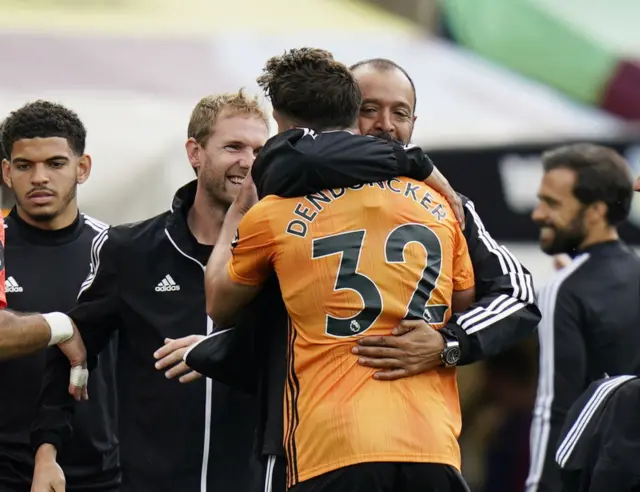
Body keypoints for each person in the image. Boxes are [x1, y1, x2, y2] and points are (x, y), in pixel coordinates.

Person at [185, 56, 540, 492]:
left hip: (339, 444)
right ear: (342, 112)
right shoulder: (438, 200)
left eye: (401, 113)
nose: (386, 126)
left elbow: (514, 297)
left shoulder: (279, 201)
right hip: (409, 446)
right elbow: (461, 299)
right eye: (370, 109)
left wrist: (448, 343)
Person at [33, 91, 269, 492]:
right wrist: (47, 452)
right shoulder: (131, 249)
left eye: (259, 150)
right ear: (195, 152)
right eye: (233, 147)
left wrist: (220, 350)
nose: (248, 162)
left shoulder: (279, 251)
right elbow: (72, 350)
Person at [0, 101, 119, 492]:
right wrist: (62, 327)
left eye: (54, 163)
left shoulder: (115, 248)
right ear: (6, 171)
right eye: (23, 165)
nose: (38, 178)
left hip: (103, 472)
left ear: (81, 168)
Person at [525, 143, 640, 492]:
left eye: (553, 203)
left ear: (595, 212)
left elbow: (553, 406)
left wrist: (539, 487)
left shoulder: (566, 288)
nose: (539, 214)